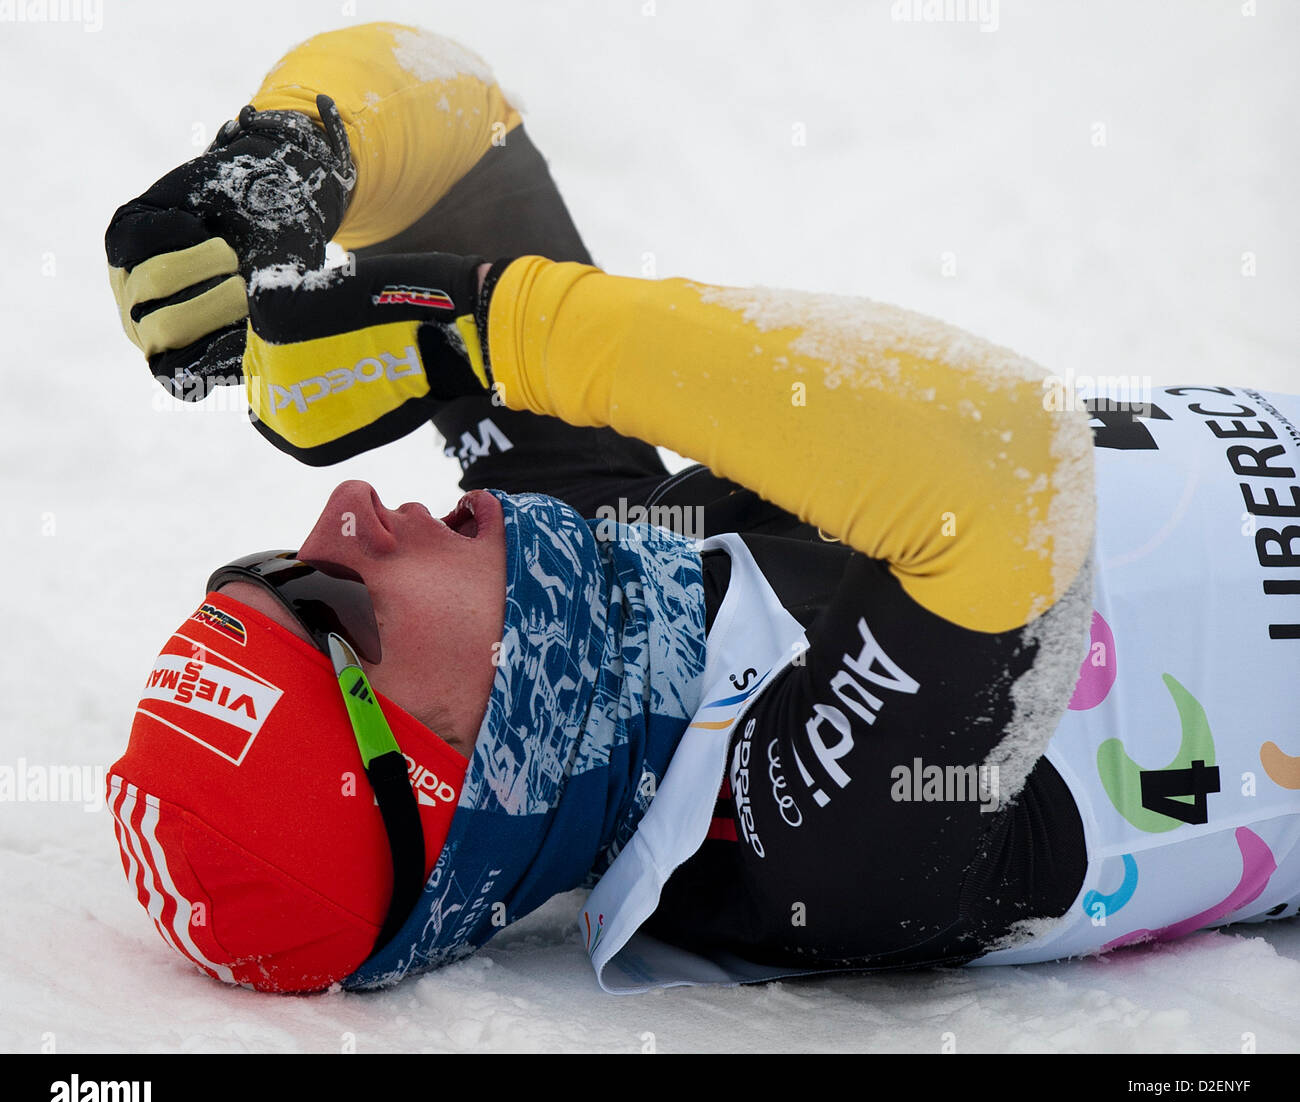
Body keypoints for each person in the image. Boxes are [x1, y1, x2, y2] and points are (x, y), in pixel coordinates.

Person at [104, 23, 1300, 995]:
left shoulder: (616, 597)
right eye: (324, 602)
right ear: (459, 773)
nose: (342, 511)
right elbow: (1002, 474)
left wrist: (290, 165)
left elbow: (457, 126)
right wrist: (490, 325)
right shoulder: (786, 851)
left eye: (268, 561)